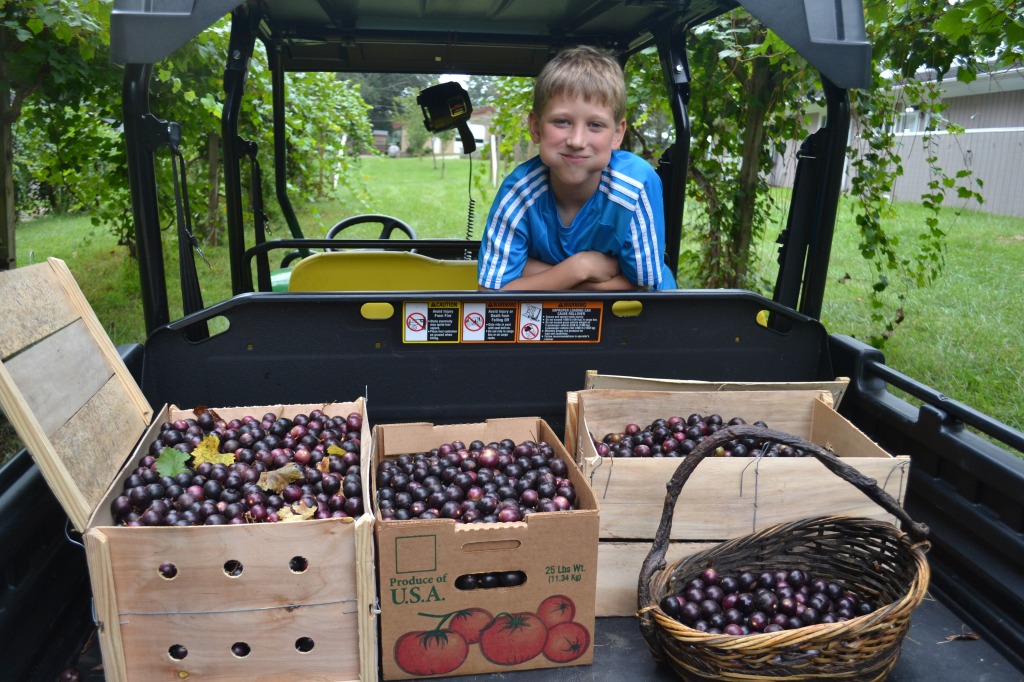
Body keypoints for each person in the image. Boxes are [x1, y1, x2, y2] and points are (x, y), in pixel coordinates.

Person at [478, 45, 675, 291]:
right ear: (536, 127)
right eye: (562, 121)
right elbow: (492, 292)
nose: (577, 141)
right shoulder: (519, 192)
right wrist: (580, 268)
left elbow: (643, 288)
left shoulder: (636, 186)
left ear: (617, 134)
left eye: (595, 125)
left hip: (638, 319)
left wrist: (532, 273)